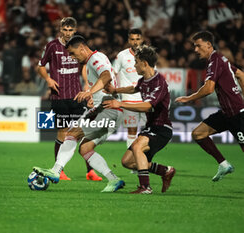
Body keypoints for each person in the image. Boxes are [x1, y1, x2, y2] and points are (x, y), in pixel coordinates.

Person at [33, 35, 125, 192]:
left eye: (74, 54)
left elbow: (106, 76)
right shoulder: (94, 60)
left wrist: (89, 92)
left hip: (108, 109)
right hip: (103, 110)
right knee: (85, 149)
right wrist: (93, 97)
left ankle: (55, 171)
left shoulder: (95, 58)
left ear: (82, 48)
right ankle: (113, 179)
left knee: (72, 134)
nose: (74, 58)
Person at [103, 45, 176, 194]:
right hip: (150, 127)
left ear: (144, 63)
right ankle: (165, 171)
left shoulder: (159, 82)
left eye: (136, 62)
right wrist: (116, 90)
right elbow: (134, 88)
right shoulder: (144, 80)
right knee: (127, 162)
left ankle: (145, 187)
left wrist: (120, 104)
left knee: (137, 147)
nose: (134, 65)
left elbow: (148, 106)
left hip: (162, 128)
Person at [37, 17, 102, 181]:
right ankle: (60, 170)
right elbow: (40, 66)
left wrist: (87, 85)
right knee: (62, 133)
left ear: (75, 30)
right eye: (65, 30)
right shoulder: (52, 46)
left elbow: (86, 65)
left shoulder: (78, 46)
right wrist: (48, 80)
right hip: (59, 96)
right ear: (60, 30)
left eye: (70, 30)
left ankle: (90, 171)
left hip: (77, 96)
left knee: (83, 132)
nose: (67, 33)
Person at [175, 31, 244, 182]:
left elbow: (208, 89)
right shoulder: (220, 59)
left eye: (198, 46)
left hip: (238, 114)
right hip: (227, 113)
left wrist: (189, 98)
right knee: (198, 134)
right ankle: (224, 164)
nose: (195, 50)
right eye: (194, 46)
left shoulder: (215, 60)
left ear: (208, 45)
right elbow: (240, 75)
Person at [113, 28, 146, 148]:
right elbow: (113, 73)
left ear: (142, 39)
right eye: (132, 39)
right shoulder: (122, 55)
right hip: (128, 99)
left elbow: (153, 74)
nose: (135, 42)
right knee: (132, 131)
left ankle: (145, 159)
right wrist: (114, 91)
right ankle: (131, 163)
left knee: (148, 130)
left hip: (145, 100)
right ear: (128, 40)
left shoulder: (148, 54)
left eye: (138, 39)